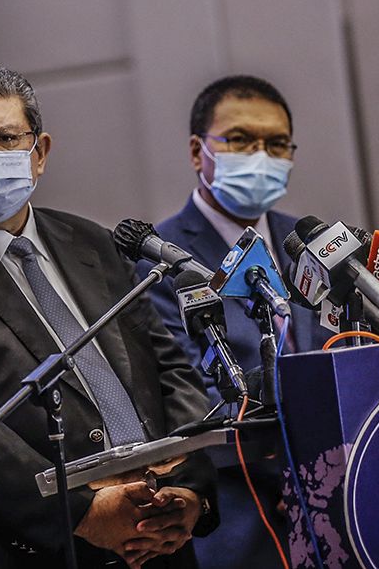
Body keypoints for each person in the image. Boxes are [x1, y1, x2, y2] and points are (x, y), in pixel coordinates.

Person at [0, 64, 218, 568]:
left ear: (40, 153)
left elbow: (170, 371)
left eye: (6, 137)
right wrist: (82, 512)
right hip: (21, 549)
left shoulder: (94, 244)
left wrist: (188, 491)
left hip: (156, 534)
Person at [135, 75, 328, 568]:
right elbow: (189, 395)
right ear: (197, 151)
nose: (261, 156)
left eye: (277, 144)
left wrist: (325, 469)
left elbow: (341, 355)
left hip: (334, 492)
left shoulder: (308, 243)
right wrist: (294, 472)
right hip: (237, 510)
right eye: (240, 140)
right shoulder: (158, 261)